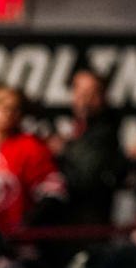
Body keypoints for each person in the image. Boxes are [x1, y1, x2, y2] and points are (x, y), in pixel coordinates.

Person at [50, 68, 129, 228]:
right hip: (61, 219)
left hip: (87, 222)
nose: (84, 98)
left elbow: (85, 178)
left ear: (103, 96)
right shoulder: (70, 126)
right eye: (78, 90)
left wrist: (65, 149)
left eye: (92, 92)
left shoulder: (106, 130)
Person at [0, 85, 66, 235]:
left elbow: (54, 193)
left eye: (14, 108)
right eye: (1, 105)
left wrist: (25, 227)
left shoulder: (30, 146)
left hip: (18, 243)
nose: (7, 112)